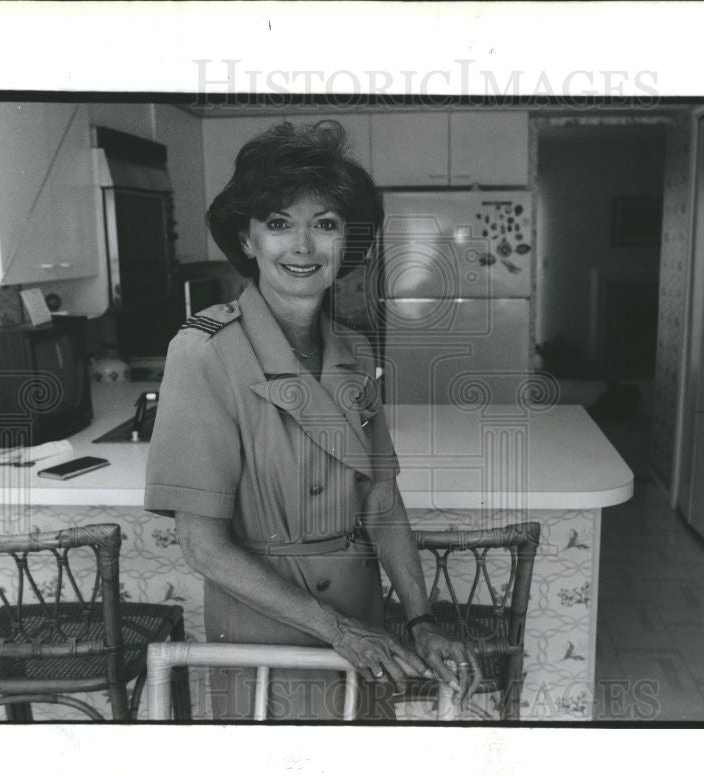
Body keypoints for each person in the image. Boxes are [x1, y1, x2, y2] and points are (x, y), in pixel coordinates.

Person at [145, 120, 480, 720]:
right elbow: (203, 547)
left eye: (323, 224)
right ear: (247, 241)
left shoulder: (355, 349)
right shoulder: (204, 350)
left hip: (363, 622)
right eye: (279, 223)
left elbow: (382, 502)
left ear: (344, 242)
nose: (302, 246)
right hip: (263, 628)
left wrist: (420, 620)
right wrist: (339, 631)